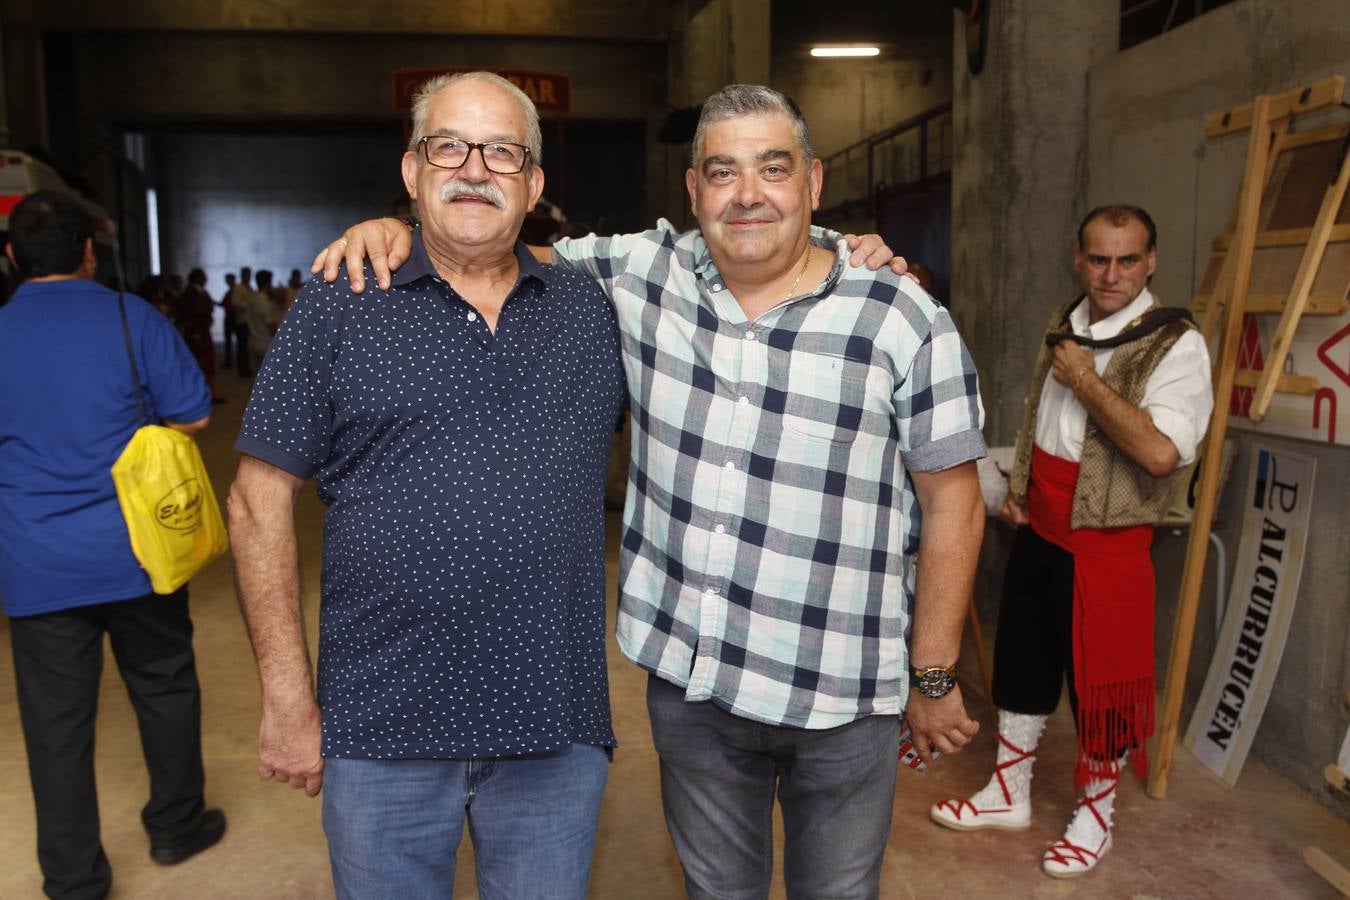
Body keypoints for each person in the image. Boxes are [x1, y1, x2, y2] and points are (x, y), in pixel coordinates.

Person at [319, 83, 987, 900]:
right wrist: (397, 230)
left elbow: (955, 503)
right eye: (722, 171)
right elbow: (486, 243)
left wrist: (933, 674)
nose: (747, 194)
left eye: (772, 170)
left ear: (813, 184)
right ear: (693, 190)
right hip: (694, 692)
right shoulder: (639, 273)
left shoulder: (902, 316)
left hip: (843, 695)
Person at [228, 71, 628, 900]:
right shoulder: (341, 303)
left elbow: (738, 262)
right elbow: (255, 503)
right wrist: (288, 702)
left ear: (535, 183)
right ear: (411, 172)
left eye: (502, 152)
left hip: (554, 729)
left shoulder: (591, 311)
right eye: (447, 146)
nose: (473, 168)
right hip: (381, 731)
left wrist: (856, 254)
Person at [929, 205, 1213, 878]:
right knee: (1022, 662)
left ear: (1150, 263)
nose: (1109, 274)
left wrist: (1085, 378)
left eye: (1125, 260)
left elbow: (1159, 453)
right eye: (1097, 258)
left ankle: (1097, 814)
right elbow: (1041, 416)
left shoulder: (1176, 344)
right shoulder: (1069, 317)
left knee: (1103, 688)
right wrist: (1021, 484)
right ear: (1078, 259)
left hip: (1108, 544)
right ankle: (1009, 792)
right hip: (1042, 525)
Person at [0, 191, 225, 900]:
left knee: (54, 725)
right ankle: (177, 826)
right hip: (138, 553)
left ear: (10, 258)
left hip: (33, 561)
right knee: (163, 687)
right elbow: (191, 418)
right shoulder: (134, 320)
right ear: (90, 253)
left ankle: (72, 878)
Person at [179, 267, 221, 402]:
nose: (206, 279)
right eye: (203, 276)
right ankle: (204, 394)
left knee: (207, 363)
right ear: (197, 278)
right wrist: (196, 333)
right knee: (202, 362)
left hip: (201, 331)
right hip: (198, 332)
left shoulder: (199, 292)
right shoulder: (192, 293)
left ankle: (208, 393)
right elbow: (191, 314)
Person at [226, 266, 254, 377]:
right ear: (242, 275)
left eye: (249, 274)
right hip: (241, 321)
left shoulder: (249, 288)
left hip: (248, 321)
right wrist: (248, 304)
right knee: (242, 347)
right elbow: (235, 303)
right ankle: (242, 369)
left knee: (246, 347)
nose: (248, 276)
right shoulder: (238, 288)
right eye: (246, 274)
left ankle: (246, 367)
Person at [220, 271, 238, 368]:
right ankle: (229, 362)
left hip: (233, 317)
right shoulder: (230, 292)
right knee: (229, 341)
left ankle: (229, 362)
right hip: (231, 317)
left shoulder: (234, 292)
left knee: (230, 341)